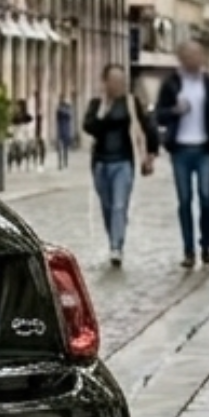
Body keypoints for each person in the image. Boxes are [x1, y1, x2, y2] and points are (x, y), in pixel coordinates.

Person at [155, 40, 209, 270]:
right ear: (180, 58)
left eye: (197, 55)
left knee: (206, 199)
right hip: (180, 149)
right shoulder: (171, 83)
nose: (193, 59)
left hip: (205, 148)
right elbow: (159, 115)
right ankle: (188, 250)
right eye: (188, 55)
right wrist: (174, 111)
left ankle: (205, 246)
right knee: (185, 201)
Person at [82, 66, 155, 268]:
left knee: (119, 205)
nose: (119, 85)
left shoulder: (131, 103)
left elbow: (146, 127)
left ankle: (116, 247)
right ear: (105, 82)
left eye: (122, 81)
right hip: (100, 163)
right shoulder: (96, 104)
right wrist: (103, 111)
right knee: (107, 206)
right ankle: (113, 238)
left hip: (123, 162)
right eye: (114, 81)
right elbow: (89, 127)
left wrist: (150, 153)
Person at [55, 97, 76, 170]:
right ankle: (61, 163)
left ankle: (64, 162)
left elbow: (68, 115)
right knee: (61, 149)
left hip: (64, 131)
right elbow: (59, 114)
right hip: (62, 131)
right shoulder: (61, 111)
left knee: (64, 149)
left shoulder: (65, 111)